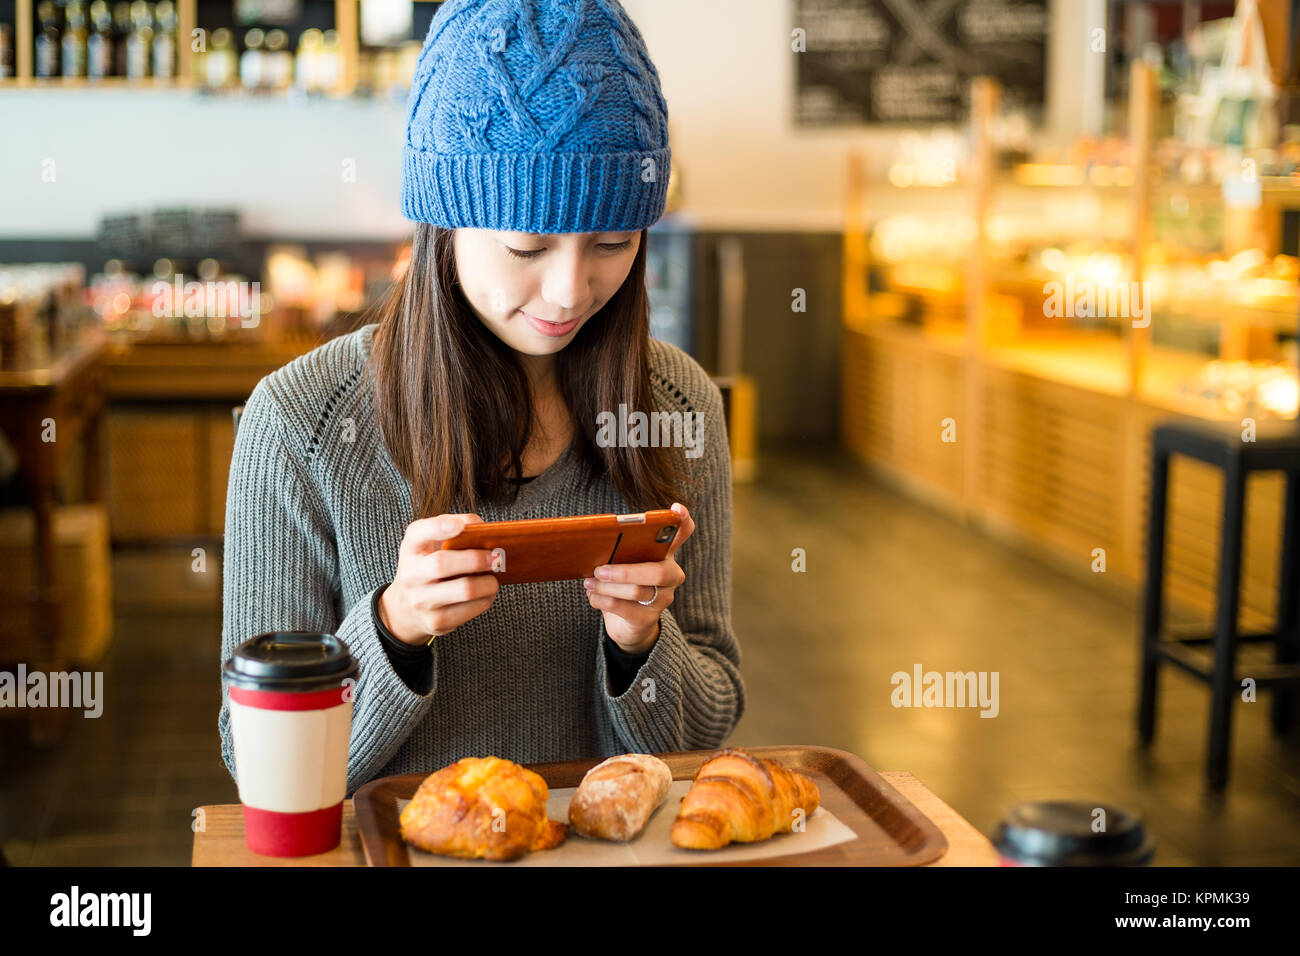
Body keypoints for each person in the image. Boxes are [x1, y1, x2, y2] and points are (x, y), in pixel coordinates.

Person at [219, 0, 744, 796]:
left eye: (612, 242)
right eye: (527, 245)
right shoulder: (300, 421)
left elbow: (707, 727)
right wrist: (393, 630)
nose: (570, 291)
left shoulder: (679, 407)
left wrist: (642, 641)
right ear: (444, 229)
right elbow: (258, 762)